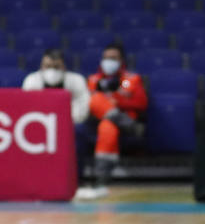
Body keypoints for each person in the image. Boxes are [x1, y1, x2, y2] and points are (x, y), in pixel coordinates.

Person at [84, 42, 148, 196]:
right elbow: (87, 104)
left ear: (121, 61)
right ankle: (131, 126)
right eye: (106, 58)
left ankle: (102, 178)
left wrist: (118, 102)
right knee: (96, 101)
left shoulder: (130, 79)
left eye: (113, 58)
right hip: (98, 119)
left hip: (121, 117)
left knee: (107, 126)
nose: (109, 61)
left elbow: (141, 103)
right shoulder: (93, 80)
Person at [22, 48, 90, 180]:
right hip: (39, 124)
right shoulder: (31, 80)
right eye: (47, 66)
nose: (51, 70)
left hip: (70, 124)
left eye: (56, 66)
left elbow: (83, 108)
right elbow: (27, 109)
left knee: (80, 130)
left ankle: (76, 178)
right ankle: (35, 177)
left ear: (63, 66)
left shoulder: (77, 80)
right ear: (41, 66)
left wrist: (63, 123)